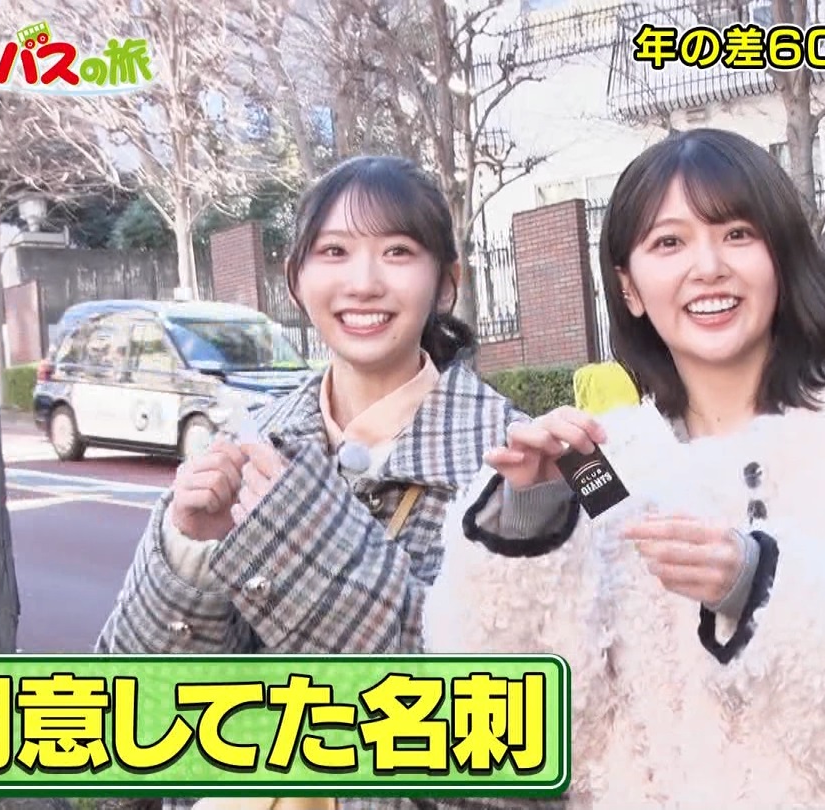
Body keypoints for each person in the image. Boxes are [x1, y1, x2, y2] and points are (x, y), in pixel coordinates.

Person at [422, 128, 825, 809]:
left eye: (737, 234)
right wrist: (526, 526)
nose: (708, 267)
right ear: (629, 287)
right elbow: (512, 737)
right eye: (669, 243)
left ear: (782, 257)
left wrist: (760, 590)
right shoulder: (609, 462)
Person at [94, 156, 539, 810]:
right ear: (295, 280)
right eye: (334, 251)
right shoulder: (250, 446)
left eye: (397, 252)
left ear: (446, 284)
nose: (363, 282)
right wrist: (187, 551)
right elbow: (128, 725)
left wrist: (301, 536)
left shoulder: (516, 465)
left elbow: (517, 746)